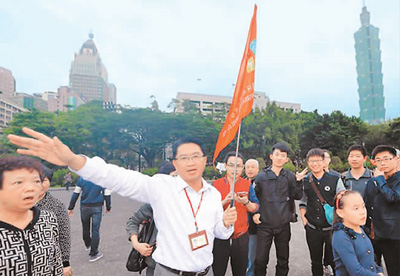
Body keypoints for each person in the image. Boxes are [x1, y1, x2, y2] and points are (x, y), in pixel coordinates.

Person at [8, 128, 237, 275]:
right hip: (169, 272)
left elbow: (219, 233)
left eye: (195, 156)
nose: (190, 162)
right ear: (175, 163)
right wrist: (75, 161)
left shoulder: (213, 194)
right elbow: (119, 178)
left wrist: (226, 223)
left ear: (205, 160)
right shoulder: (161, 187)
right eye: (184, 158)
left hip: (204, 272)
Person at [0, 156, 63, 275]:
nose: (31, 188)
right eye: (19, 182)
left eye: (36, 181)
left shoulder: (48, 219)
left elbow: (56, 263)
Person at [252, 142, 305, 276]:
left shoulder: (290, 177)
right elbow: (255, 198)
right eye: (277, 154)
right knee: (260, 260)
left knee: (283, 260)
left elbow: (298, 196)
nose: (279, 158)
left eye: (283, 155)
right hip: (265, 225)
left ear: (286, 159)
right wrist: (256, 213)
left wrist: (299, 181)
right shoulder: (261, 176)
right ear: (271, 156)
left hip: (283, 225)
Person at [299, 148, 345, 276]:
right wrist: (304, 220)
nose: (315, 164)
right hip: (313, 228)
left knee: (335, 260)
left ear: (323, 161)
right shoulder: (305, 180)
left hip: (332, 229)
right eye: (311, 161)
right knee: (316, 261)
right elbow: (302, 201)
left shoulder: (335, 179)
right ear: (308, 162)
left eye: (318, 160)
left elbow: (343, 200)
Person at [126, 161, 177, 276]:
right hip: (155, 264)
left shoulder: (185, 201)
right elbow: (133, 221)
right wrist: (137, 244)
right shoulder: (153, 203)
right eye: (173, 176)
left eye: (177, 177)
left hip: (178, 265)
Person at [212, 152, 259, 276]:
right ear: (226, 166)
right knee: (218, 270)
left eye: (238, 166)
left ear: (242, 168)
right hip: (220, 235)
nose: (235, 169)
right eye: (231, 165)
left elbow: (255, 207)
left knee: (240, 271)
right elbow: (209, 210)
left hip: (241, 234)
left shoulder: (247, 184)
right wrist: (224, 201)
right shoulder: (216, 185)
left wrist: (246, 202)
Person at [364, 145, 400, 276]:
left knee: (395, 271)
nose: (382, 163)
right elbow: (367, 206)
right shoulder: (372, 182)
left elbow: (393, 198)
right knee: (371, 271)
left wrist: (380, 180)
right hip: (373, 235)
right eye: (378, 160)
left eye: (386, 159)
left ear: (396, 159)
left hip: (394, 236)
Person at [332, 190, 384, 276]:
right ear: (340, 213)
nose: (362, 212)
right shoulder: (341, 236)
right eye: (356, 208)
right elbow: (356, 272)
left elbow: (368, 259)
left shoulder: (360, 229)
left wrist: (378, 270)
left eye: (363, 206)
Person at [36, 166, 72, 276]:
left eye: (44, 180)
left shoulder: (57, 206)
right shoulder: (19, 202)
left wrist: (65, 263)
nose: (40, 184)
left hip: (51, 260)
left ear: (49, 182)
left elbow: (64, 234)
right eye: (37, 180)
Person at [68, 176, 112, 262]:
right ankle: (94, 253)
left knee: (85, 227)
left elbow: (76, 193)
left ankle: (88, 244)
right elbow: (107, 194)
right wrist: (108, 207)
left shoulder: (82, 178)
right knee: (95, 230)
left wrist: (71, 207)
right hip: (97, 207)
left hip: (84, 207)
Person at [244, 158, 260, 276]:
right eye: (247, 167)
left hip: (254, 226)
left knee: (252, 255)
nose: (249, 169)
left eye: (252, 167)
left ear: (258, 169)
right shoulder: (242, 182)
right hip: (241, 226)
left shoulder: (261, 183)